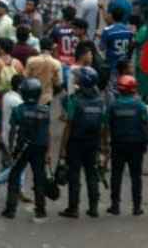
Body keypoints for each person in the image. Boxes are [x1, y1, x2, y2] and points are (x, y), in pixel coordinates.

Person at [57, 66, 104, 218]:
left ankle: (73, 208)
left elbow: (68, 126)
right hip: (93, 142)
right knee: (92, 174)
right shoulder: (100, 101)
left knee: (74, 175)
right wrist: (103, 146)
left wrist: (63, 148)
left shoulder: (74, 100)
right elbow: (103, 125)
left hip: (76, 142)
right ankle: (93, 208)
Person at [1, 78, 50, 220]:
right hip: (40, 147)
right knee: (39, 178)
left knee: (14, 176)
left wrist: (11, 149)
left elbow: (13, 132)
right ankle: (40, 209)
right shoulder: (45, 110)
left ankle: (10, 209)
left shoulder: (18, 110)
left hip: (22, 148)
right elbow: (47, 133)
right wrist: (47, 151)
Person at [102, 75, 148, 215]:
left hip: (118, 145)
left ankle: (115, 206)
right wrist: (146, 142)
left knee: (116, 175)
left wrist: (105, 144)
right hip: (136, 145)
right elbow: (145, 125)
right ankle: (137, 207)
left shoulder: (113, 106)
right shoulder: (140, 105)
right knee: (136, 176)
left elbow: (106, 126)